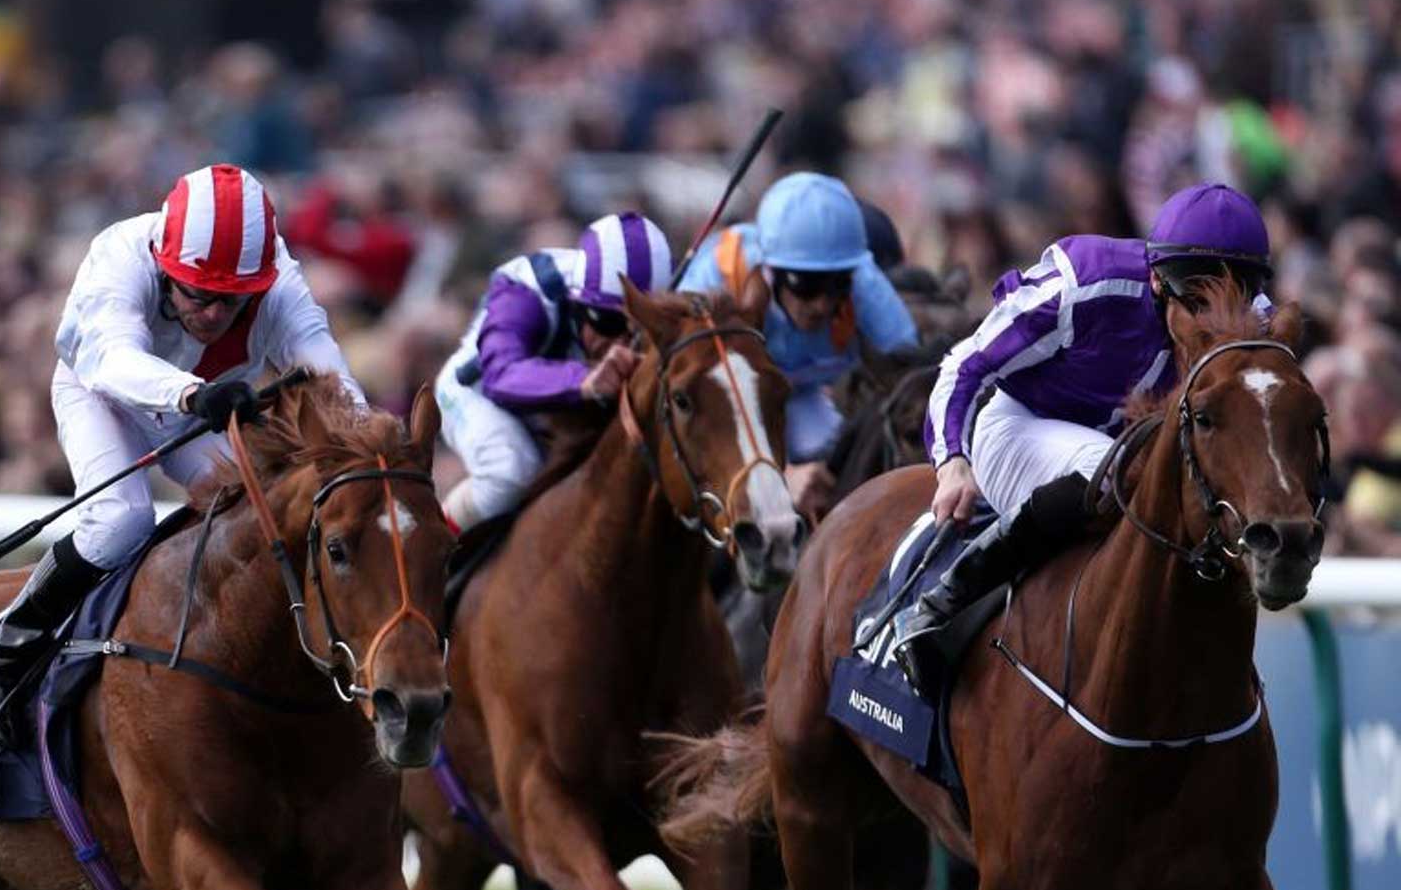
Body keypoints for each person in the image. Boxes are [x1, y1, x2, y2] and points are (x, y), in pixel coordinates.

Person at [0, 164, 366, 747]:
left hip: (200, 407)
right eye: (199, 293)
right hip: (102, 395)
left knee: (266, 510)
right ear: (165, 263)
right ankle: (1, 652)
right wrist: (193, 393)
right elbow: (115, 360)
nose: (216, 314)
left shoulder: (279, 278)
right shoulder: (120, 253)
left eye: (233, 299)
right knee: (121, 520)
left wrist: (367, 438)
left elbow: (326, 370)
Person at [888, 182, 1275, 690]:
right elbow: (964, 366)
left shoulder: (1255, 322)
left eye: (1230, 302)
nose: (1211, 324)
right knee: (1121, 472)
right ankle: (943, 602)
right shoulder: (1084, 283)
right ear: (1158, 282)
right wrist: (952, 463)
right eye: (1197, 303)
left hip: (1127, 448)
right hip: (1018, 428)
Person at [680, 173, 918, 522]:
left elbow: (911, 374)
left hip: (804, 399)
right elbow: (696, 405)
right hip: (727, 406)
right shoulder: (716, 278)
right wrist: (781, 474)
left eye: (837, 285)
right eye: (805, 284)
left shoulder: (864, 283)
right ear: (770, 269)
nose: (822, 304)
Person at [434, 211, 670, 530]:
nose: (622, 344)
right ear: (578, 302)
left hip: (557, 409)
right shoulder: (527, 288)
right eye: (609, 323)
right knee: (511, 469)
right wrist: (584, 380)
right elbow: (500, 374)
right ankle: (435, 560)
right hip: (476, 394)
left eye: (639, 329)